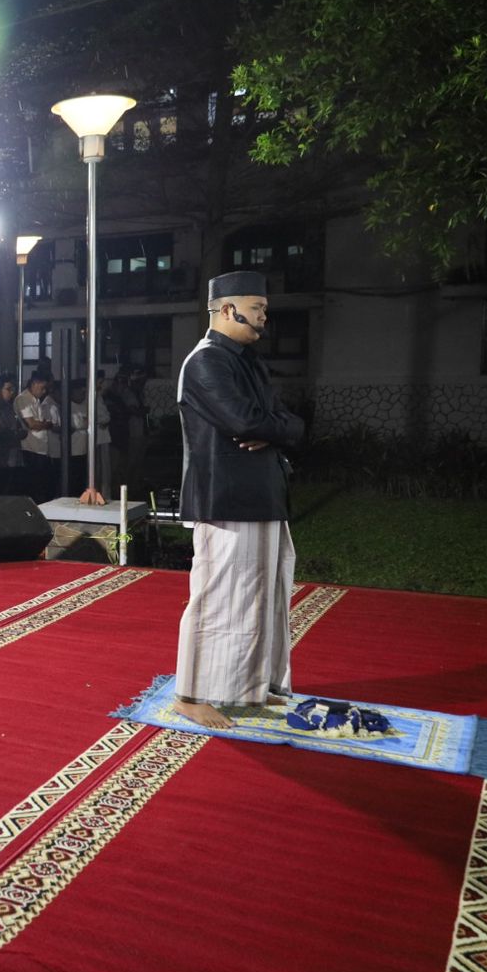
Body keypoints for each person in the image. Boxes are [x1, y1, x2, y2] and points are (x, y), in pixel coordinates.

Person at [174, 271, 306, 729]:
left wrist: (273, 430)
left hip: (263, 494)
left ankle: (250, 688)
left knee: (263, 598)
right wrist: (271, 429)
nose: (265, 317)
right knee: (216, 598)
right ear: (228, 309)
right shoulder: (205, 362)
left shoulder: (246, 361)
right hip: (227, 499)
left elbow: (284, 422)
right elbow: (247, 422)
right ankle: (191, 695)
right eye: (259, 308)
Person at [15, 372, 57, 502]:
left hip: (41, 448)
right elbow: (32, 424)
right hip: (31, 447)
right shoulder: (23, 399)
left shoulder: (36, 399)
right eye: (42, 388)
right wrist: (46, 424)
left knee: (43, 483)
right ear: (34, 384)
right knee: (34, 484)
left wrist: (44, 424)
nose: (44, 391)